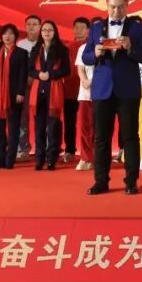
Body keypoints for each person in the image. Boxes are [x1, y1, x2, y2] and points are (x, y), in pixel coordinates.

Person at [84, 0, 142, 195]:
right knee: (101, 138)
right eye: (112, 7)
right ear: (106, 5)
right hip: (102, 89)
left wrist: (130, 47)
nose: (116, 11)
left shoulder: (137, 28)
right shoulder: (96, 28)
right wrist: (95, 53)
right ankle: (101, 181)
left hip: (127, 90)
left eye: (121, 7)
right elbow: (86, 57)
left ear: (127, 5)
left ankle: (131, 181)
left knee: (130, 137)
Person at [0, 24, 29, 169]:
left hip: (14, 96)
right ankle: (0, 157)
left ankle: (10, 159)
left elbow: (23, 74)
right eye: (5, 34)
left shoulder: (21, 53)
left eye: (11, 34)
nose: (7, 36)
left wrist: (21, 92)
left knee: (13, 128)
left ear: (15, 36)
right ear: (1, 36)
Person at [28, 20, 70, 171]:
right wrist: (38, 74)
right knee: (39, 127)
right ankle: (39, 159)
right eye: (44, 30)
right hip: (38, 90)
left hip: (54, 90)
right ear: (41, 32)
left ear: (55, 32)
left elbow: (66, 70)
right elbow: (30, 69)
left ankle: (52, 159)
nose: (46, 32)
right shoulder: (36, 49)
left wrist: (50, 74)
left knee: (53, 127)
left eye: (50, 30)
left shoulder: (61, 49)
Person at [61, 17, 90, 163]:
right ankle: (70, 150)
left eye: (82, 28)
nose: (79, 30)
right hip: (70, 90)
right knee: (69, 121)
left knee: (89, 122)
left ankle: (90, 151)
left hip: (88, 89)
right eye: (76, 27)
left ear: (88, 30)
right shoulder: (66, 47)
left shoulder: (91, 47)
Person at [72, 19, 98, 172]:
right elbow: (80, 68)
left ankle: (98, 158)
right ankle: (85, 158)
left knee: (100, 128)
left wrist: (93, 81)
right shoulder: (83, 48)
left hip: (102, 93)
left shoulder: (108, 47)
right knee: (84, 127)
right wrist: (84, 81)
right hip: (85, 93)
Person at [16, 15, 42, 160]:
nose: (31, 27)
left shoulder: (44, 43)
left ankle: (42, 148)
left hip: (40, 84)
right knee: (22, 117)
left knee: (41, 117)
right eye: (29, 24)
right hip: (24, 85)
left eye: (34, 24)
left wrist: (35, 76)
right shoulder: (20, 44)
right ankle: (23, 148)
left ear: (40, 26)